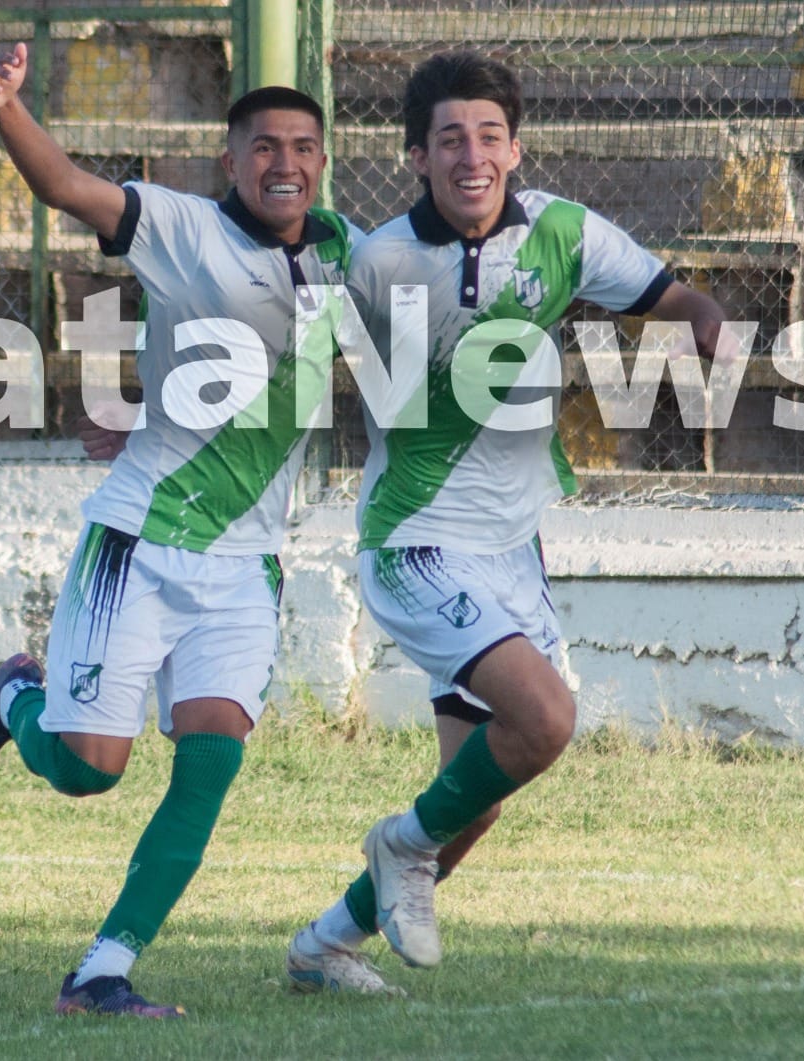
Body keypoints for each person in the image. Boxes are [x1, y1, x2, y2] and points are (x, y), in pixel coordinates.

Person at [284, 50, 727, 993]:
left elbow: (664, 292)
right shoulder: (379, 262)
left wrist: (702, 314)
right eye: (450, 139)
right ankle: (396, 847)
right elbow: (288, 365)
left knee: (476, 798)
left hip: (511, 552)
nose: (471, 155)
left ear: (514, 149)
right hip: (415, 543)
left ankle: (324, 945)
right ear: (416, 157)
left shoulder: (563, 233)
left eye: (489, 136)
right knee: (546, 718)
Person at [0, 42, 364, 1018]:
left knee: (209, 764)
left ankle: (101, 972)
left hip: (243, 567)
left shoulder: (341, 248)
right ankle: (12, 700)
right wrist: (8, 109)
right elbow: (67, 188)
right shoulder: (179, 227)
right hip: (137, 548)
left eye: (302, 146)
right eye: (263, 147)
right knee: (90, 774)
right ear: (231, 161)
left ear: (322, 160)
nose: (283, 163)